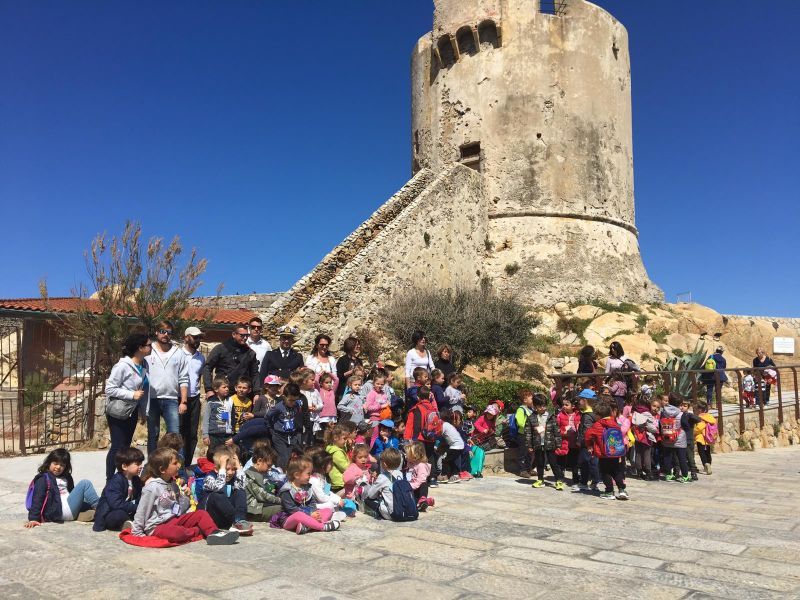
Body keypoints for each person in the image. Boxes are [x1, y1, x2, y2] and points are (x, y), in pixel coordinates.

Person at [131, 447, 239, 544]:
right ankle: (198, 531)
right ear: (162, 469)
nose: (178, 466)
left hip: (174, 520)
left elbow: (180, 509)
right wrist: (137, 531)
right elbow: (142, 510)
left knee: (201, 514)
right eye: (175, 463)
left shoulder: (173, 484)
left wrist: (186, 497)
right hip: (157, 526)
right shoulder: (152, 488)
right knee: (177, 533)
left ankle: (214, 533)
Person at [104, 332, 151, 480]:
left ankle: (122, 478)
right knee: (117, 447)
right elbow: (109, 389)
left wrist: (143, 412)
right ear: (140, 348)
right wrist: (131, 394)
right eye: (149, 345)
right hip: (118, 412)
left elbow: (143, 390)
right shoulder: (122, 366)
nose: (151, 347)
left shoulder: (144, 365)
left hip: (132, 411)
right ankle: (110, 480)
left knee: (125, 447)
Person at [145, 320, 189, 455]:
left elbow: (183, 378)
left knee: (175, 435)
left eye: (169, 332)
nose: (165, 334)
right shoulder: (148, 350)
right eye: (162, 331)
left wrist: (183, 401)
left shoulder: (178, 353)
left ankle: (178, 466)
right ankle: (152, 464)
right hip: (151, 399)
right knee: (153, 434)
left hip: (171, 399)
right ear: (156, 332)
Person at [25, 448, 100, 527]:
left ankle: (90, 514)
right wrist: (33, 518)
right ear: (49, 462)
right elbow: (37, 498)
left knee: (88, 499)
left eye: (62, 465)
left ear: (66, 466)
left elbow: (72, 493)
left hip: (68, 510)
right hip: (60, 510)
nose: (58, 467)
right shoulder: (43, 479)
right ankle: (101, 509)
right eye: (55, 463)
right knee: (85, 484)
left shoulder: (67, 477)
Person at [278, 457, 341, 534]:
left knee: (328, 510)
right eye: (308, 474)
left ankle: (307, 526)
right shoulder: (287, 490)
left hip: (308, 515)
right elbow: (292, 510)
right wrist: (310, 514)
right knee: (298, 515)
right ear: (297, 475)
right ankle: (323, 526)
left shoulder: (307, 487)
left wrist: (315, 512)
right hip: (289, 519)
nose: (310, 476)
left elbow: (312, 503)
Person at [201, 447, 253, 536]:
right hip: (212, 517)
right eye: (227, 469)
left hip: (227, 518)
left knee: (240, 491)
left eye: (233, 469)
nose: (230, 472)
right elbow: (218, 488)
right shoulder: (210, 477)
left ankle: (239, 520)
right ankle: (235, 521)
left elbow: (243, 485)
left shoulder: (233, 478)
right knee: (216, 495)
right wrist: (222, 469)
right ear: (216, 469)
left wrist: (238, 467)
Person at [584, 400, 629, 500]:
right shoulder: (615, 423)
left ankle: (609, 491)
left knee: (605, 472)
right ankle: (622, 490)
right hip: (615, 453)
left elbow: (588, 435)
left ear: (598, 415)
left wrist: (589, 445)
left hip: (604, 454)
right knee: (616, 471)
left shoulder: (597, 424)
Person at [93, 446, 145, 532]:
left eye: (141, 463)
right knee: (119, 514)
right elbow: (116, 504)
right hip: (110, 514)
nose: (141, 466)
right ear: (124, 466)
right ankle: (129, 524)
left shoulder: (136, 479)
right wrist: (136, 507)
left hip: (127, 510)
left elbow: (139, 497)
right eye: (137, 464)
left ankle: (130, 523)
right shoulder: (115, 481)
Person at [203, 324, 260, 399]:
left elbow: (255, 374)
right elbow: (207, 367)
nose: (245, 338)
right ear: (234, 334)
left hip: (242, 394)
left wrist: (256, 393)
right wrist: (209, 389)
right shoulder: (221, 349)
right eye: (242, 335)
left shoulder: (250, 353)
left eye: (247, 335)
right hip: (223, 392)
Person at [404, 385, 441, 486]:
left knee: (420, 458)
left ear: (418, 396)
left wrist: (410, 439)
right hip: (431, 436)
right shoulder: (433, 408)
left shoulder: (417, 408)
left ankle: (421, 478)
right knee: (430, 456)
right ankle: (432, 478)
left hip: (420, 437)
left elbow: (413, 425)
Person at [525, 393, 564, 490]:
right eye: (540, 406)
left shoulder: (551, 416)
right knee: (540, 463)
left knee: (553, 463)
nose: (543, 408)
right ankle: (540, 480)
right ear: (535, 406)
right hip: (538, 443)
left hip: (550, 444)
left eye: (544, 405)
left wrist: (558, 444)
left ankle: (558, 480)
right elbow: (528, 432)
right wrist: (529, 445)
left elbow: (557, 431)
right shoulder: (531, 417)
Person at [180, 326, 205, 465]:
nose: (197, 340)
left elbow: (198, 377)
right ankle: (175, 464)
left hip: (194, 398)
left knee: (192, 433)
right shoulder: (178, 354)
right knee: (177, 432)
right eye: (195, 337)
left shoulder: (201, 358)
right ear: (186, 337)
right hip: (178, 398)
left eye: (199, 337)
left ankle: (187, 464)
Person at [361, 447, 405, 520]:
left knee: (367, 500)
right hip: (403, 510)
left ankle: (376, 512)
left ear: (384, 464)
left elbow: (371, 495)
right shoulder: (400, 474)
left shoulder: (382, 477)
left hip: (392, 514)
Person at [244, 445, 283, 521]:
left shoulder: (255, 474)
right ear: (259, 461)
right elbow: (262, 496)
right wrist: (281, 500)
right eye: (268, 466)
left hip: (257, 508)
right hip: (253, 512)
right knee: (284, 508)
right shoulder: (250, 476)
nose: (270, 469)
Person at [572, 389, 599, 492]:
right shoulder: (594, 413)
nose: (578, 402)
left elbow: (586, 431)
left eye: (580, 399)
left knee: (585, 463)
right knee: (593, 463)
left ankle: (584, 483)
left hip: (587, 443)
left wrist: (581, 441)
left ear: (585, 400)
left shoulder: (587, 415)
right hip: (593, 443)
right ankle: (594, 482)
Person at [660, 394, 690, 482]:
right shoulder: (681, 414)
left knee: (667, 457)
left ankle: (668, 475)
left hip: (667, 437)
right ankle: (685, 476)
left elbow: (660, 423)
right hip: (679, 439)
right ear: (680, 404)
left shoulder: (663, 412)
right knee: (682, 458)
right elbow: (686, 426)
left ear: (669, 401)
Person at [555, 395, 581, 483]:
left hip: (574, 442)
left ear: (573, 406)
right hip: (564, 441)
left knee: (574, 461)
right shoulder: (560, 415)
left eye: (566, 405)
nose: (564, 406)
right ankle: (560, 477)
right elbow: (556, 428)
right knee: (561, 460)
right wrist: (563, 433)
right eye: (563, 404)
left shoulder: (579, 415)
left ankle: (575, 477)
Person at [202, 377, 234, 449]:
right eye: (224, 387)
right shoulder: (211, 402)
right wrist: (205, 435)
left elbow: (232, 417)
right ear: (216, 389)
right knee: (213, 453)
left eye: (228, 387)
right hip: (214, 435)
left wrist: (232, 432)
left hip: (226, 435)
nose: (227, 389)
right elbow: (206, 419)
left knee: (227, 453)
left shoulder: (230, 401)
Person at [631, 395, 657, 480]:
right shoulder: (647, 414)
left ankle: (639, 473)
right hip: (646, 437)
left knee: (638, 454)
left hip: (637, 436)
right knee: (647, 455)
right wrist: (655, 429)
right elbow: (650, 426)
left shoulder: (635, 412)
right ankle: (648, 473)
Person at [405, 441, 435, 511]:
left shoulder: (421, 466)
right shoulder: (409, 463)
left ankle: (423, 500)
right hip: (410, 487)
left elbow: (420, 481)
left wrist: (410, 486)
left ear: (416, 455)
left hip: (417, 489)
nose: (406, 456)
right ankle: (428, 501)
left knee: (423, 484)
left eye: (408, 454)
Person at [438, 412, 466, 483]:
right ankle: (454, 475)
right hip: (460, 445)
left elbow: (438, 434)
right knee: (450, 460)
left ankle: (444, 476)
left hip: (455, 446)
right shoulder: (449, 425)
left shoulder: (444, 425)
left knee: (445, 459)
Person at [325, 423, 352, 494]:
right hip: (340, 482)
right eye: (344, 438)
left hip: (335, 481)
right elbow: (346, 467)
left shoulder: (331, 447)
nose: (346, 441)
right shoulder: (337, 452)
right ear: (335, 438)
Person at [514, 390, 534, 478]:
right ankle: (522, 470)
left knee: (529, 453)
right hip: (523, 435)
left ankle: (529, 468)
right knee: (523, 453)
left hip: (530, 435)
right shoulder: (521, 409)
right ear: (525, 400)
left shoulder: (531, 409)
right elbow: (520, 422)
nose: (533, 400)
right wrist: (530, 426)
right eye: (531, 398)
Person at [335, 336, 363, 400]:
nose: (359, 346)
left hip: (357, 391)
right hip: (344, 391)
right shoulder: (342, 360)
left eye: (359, 344)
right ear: (350, 345)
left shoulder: (359, 361)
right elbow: (338, 376)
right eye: (356, 345)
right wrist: (350, 372)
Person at [694, 401, 718, 475]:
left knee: (702, 453)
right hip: (708, 439)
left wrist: (694, 431)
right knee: (707, 453)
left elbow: (699, 428)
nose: (694, 411)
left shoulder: (700, 417)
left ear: (699, 410)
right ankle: (709, 464)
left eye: (695, 409)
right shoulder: (709, 416)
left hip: (700, 438)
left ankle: (705, 465)